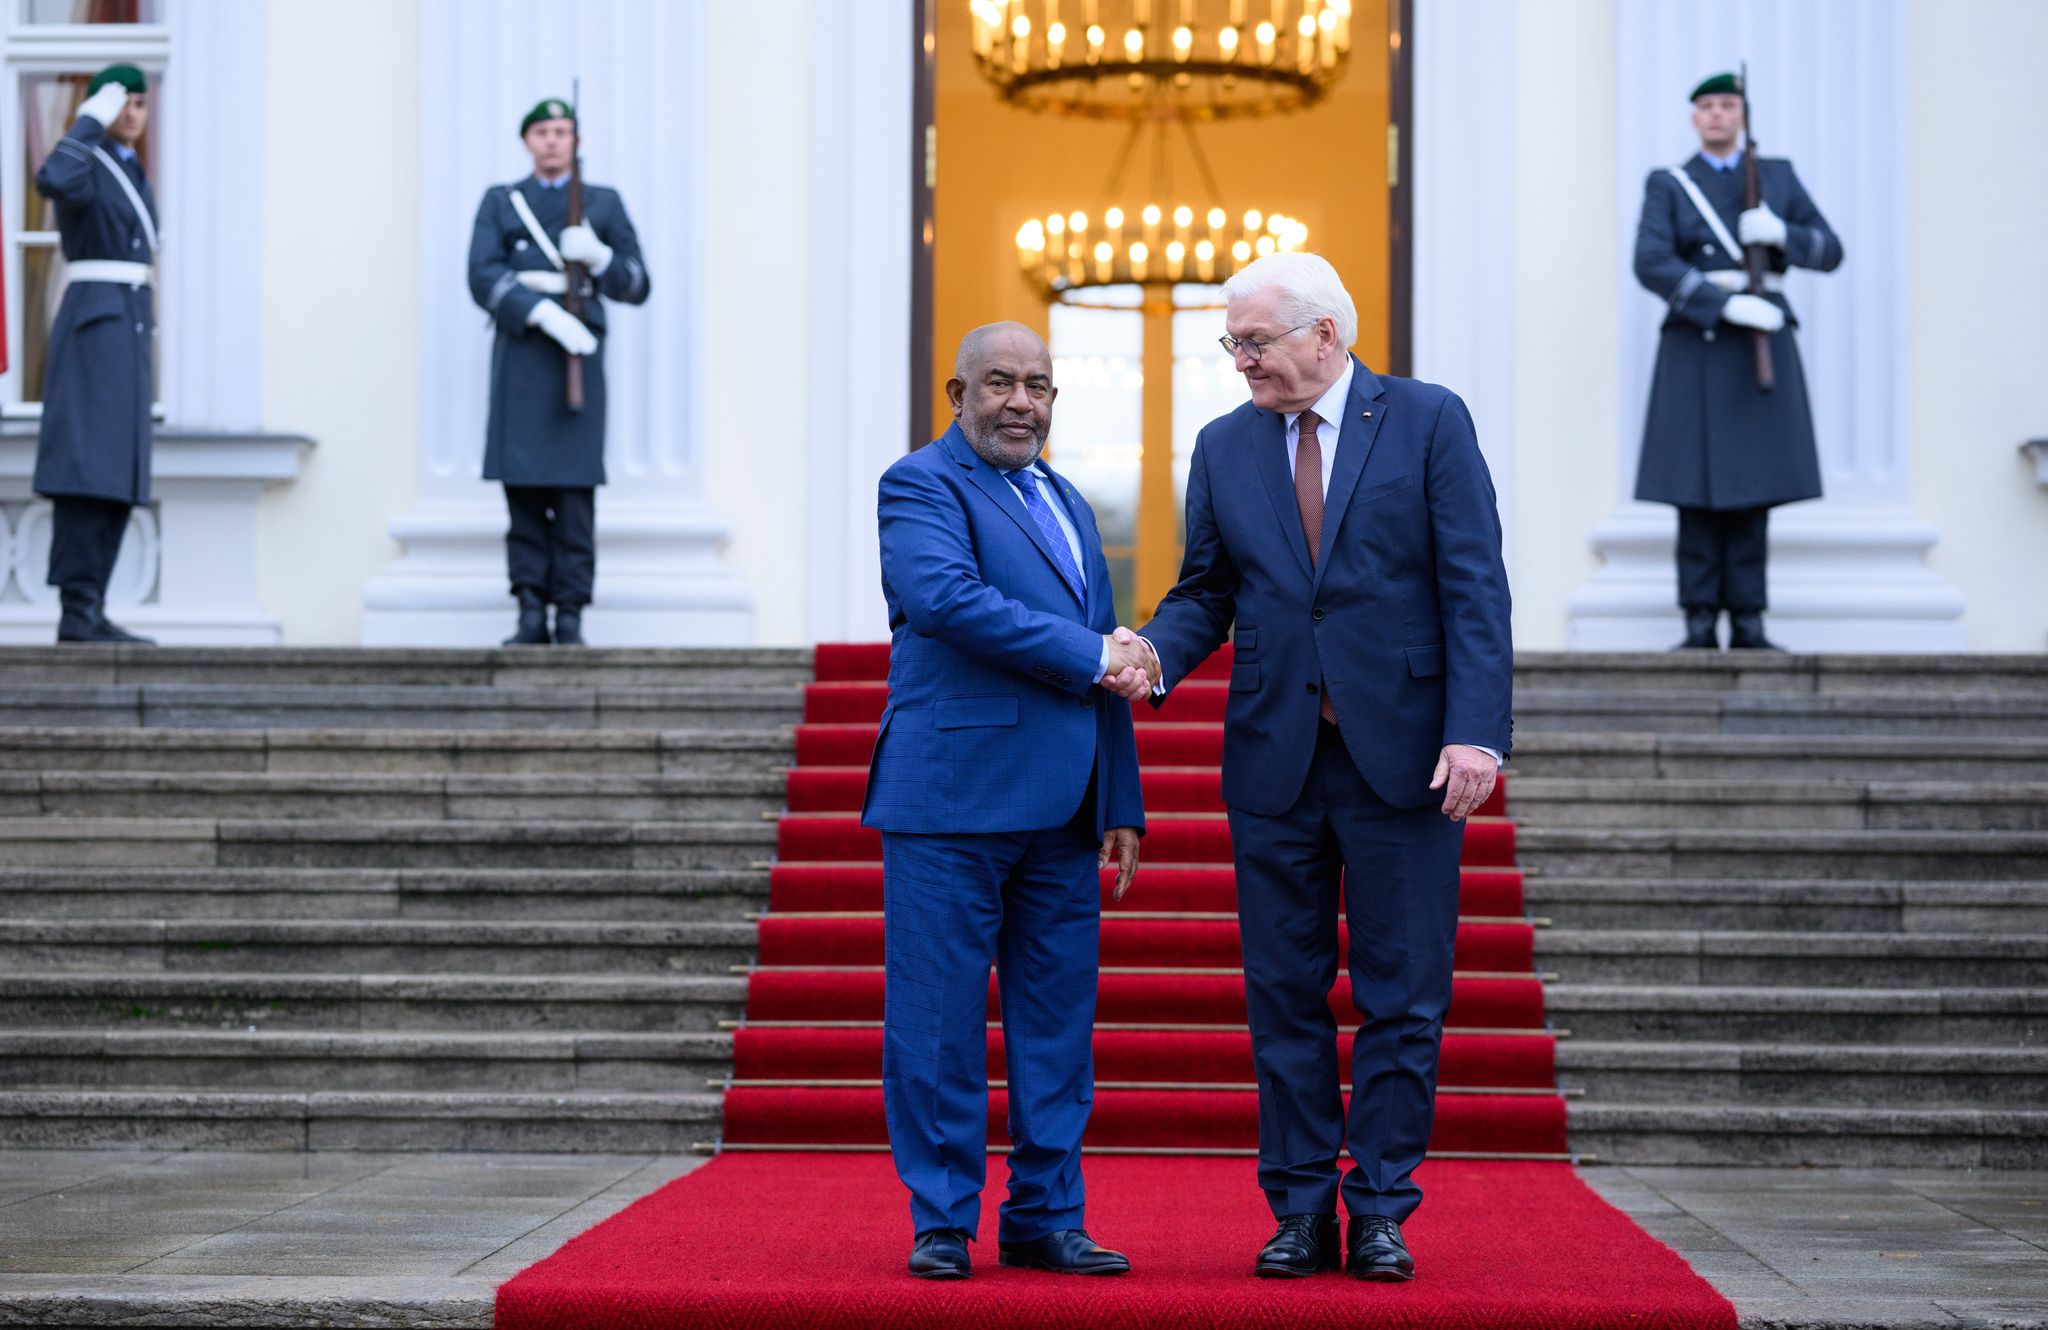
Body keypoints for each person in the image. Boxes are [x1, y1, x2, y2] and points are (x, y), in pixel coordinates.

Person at [1121, 253, 1513, 1282]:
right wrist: (1155, 650)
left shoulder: (1427, 420)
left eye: (1253, 342)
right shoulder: (1222, 446)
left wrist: (1475, 729)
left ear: (1324, 336)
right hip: (1274, 760)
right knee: (1281, 993)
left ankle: (1379, 1205)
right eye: (1232, 344)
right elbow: (1207, 589)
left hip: (1407, 761)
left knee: (1402, 996)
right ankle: (1297, 1208)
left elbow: (1473, 583)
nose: (1238, 361)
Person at [864, 322, 1149, 1281]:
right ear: (956, 393)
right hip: (951, 798)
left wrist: (1121, 799)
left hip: (1065, 810)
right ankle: (943, 1219)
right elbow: (943, 598)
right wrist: (1091, 654)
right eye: (999, 383)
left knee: (1058, 1026)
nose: (1020, 401)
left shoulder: (1067, 499)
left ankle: (1046, 1216)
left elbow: (1102, 649)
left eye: (1037, 384)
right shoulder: (921, 484)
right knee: (939, 1023)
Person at [1633, 71, 1843, 651]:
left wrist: (1782, 235)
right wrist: (1723, 304)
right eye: (1707, 106)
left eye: (1727, 104)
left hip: (1762, 344)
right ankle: (1699, 621)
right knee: (1694, 488)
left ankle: (1748, 620)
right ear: (1694, 118)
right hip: (1698, 341)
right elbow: (1650, 261)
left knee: (1754, 486)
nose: (1717, 114)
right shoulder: (1671, 183)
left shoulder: (1776, 176)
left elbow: (1830, 250)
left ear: (1743, 113)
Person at [467, 98, 649, 646]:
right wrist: (537, 311)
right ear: (527, 141)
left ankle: (569, 612)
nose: (552, 140)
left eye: (562, 131)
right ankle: (528, 609)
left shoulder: (604, 203)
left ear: (576, 142)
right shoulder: (503, 202)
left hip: (580, 356)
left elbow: (637, 284)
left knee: (573, 495)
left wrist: (598, 258)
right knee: (522, 490)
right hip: (524, 353)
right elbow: (480, 274)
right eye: (542, 131)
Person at [33, 64, 158, 644]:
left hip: (126, 325)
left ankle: (94, 603)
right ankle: (76, 606)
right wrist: (89, 118)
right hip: (95, 324)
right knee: (87, 467)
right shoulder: (88, 160)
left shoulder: (132, 169)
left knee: (116, 470)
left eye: (140, 102)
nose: (133, 113)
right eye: (122, 102)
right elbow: (53, 174)